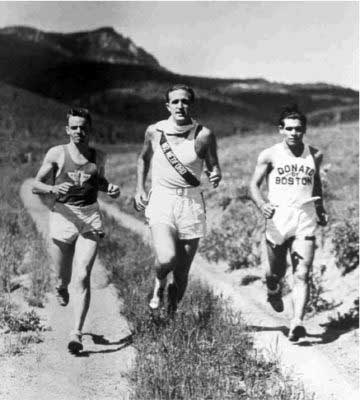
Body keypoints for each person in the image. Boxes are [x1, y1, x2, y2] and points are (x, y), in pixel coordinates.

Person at [32, 108, 120, 354]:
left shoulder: (98, 156)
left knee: (82, 276)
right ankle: (60, 285)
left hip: (90, 216)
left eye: (83, 127)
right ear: (67, 130)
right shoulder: (57, 153)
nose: (79, 132)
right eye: (74, 127)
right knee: (63, 277)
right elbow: (36, 185)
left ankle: (76, 333)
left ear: (89, 130)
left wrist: (109, 187)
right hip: (63, 216)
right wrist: (52, 190)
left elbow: (97, 180)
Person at [134, 84, 221, 316]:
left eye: (185, 101)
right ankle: (159, 284)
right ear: (168, 106)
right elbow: (143, 159)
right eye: (175, 102)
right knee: (166, 258)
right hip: (162, 198)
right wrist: (139, 188)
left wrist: (215, 174)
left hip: (191, 204)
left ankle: (171, 315)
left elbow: (213, 164)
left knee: (182, 274)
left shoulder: (204, 134)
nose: (180, 106)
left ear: (190, 104)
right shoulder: (154, 131)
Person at [249, 105, 328, 341]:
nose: (294, 133)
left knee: (302, 274)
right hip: (278, 221)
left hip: (305, 219)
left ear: (304, 130)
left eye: (299, 129)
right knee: (276, 272)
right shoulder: (269, 155)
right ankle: (273, 288)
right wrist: (262, 204)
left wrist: (321, 208)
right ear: (281, 130)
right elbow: (253, 185)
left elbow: (316, 185)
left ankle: (297, 323)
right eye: (290, 129)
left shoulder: (315, 154)